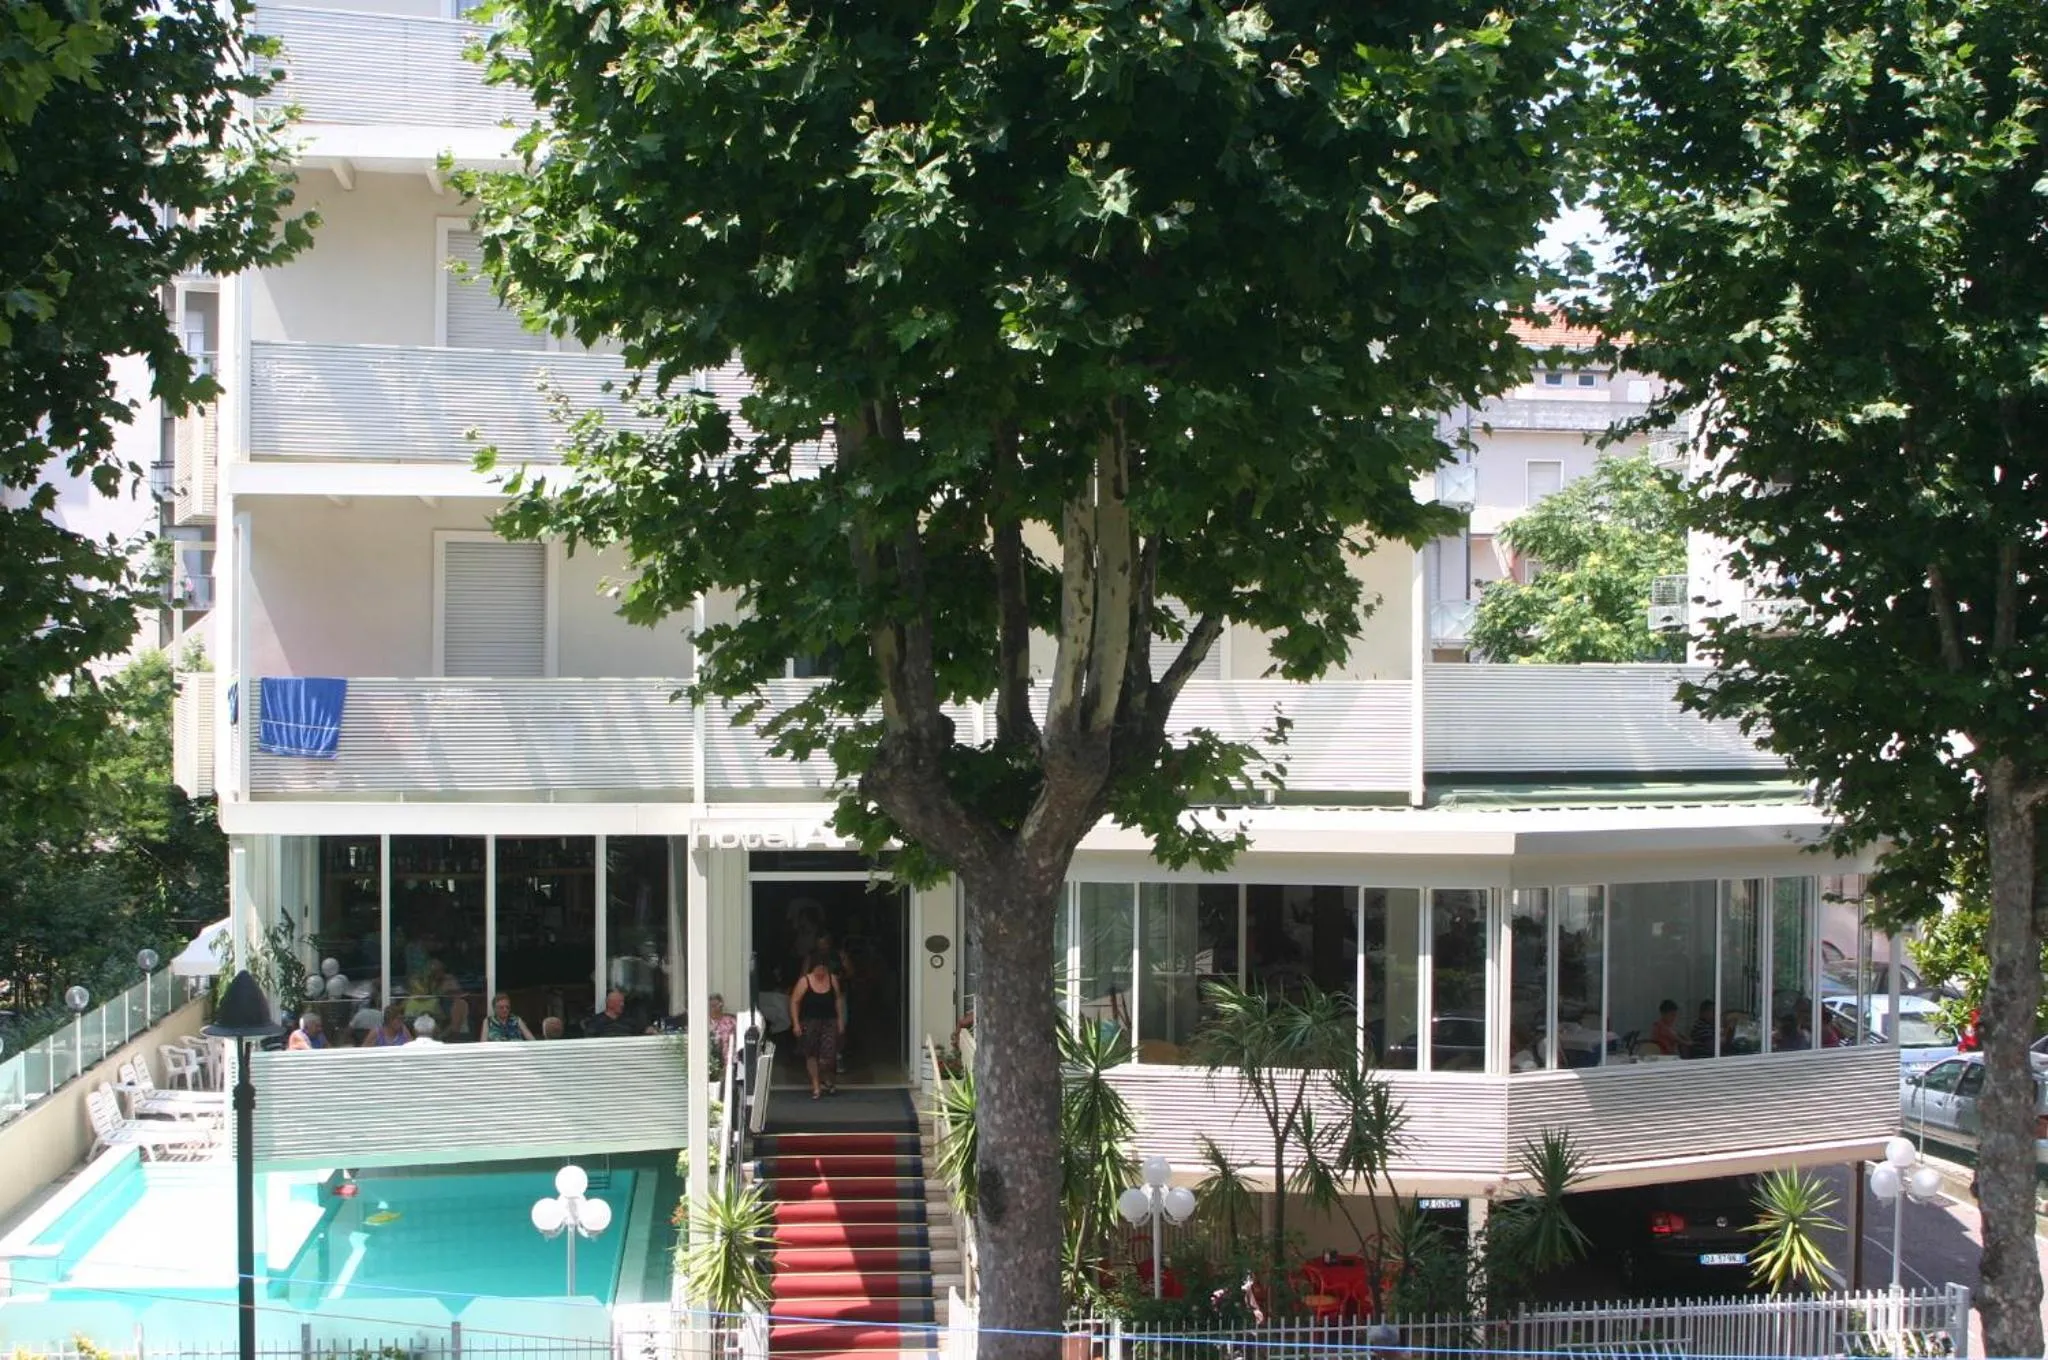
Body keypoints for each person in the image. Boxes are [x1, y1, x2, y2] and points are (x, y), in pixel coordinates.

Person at [790, 954, 846, 1099]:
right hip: (809, 1022)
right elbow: (795, 1002)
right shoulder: (804, 981)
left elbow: (838, 999)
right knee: (811, 1054)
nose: (821, 973)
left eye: (823, 970)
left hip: (829, 1021)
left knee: (829, 1054)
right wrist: (796, 1023)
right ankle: (816, 1085)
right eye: (818, 970)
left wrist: (840, 1020)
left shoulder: (832, 979)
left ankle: (826, 1077)